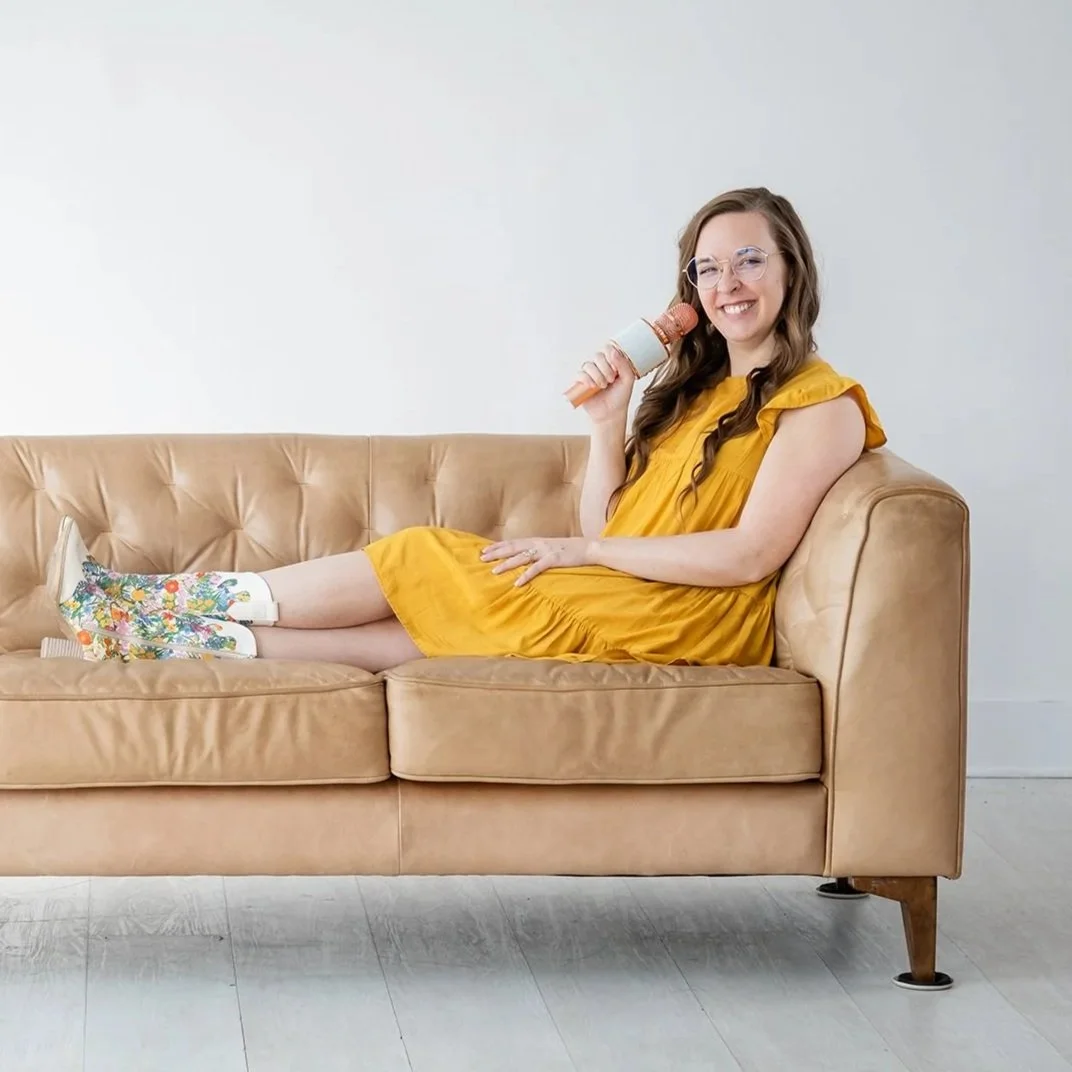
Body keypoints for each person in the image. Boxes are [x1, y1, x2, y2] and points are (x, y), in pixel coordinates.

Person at [46, 186, 886, 670]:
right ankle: (131, 630)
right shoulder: (696, 391)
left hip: (684, 621)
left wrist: (580, 554)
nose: (727, 283)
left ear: (791, 269)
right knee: (399, 637)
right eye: (708, 268)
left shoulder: (821, 407)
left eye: (750, 260)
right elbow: (610, 524)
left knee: (419, 555)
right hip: (628, 593)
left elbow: (746, 555)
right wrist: (607, 423)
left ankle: (144, 602)